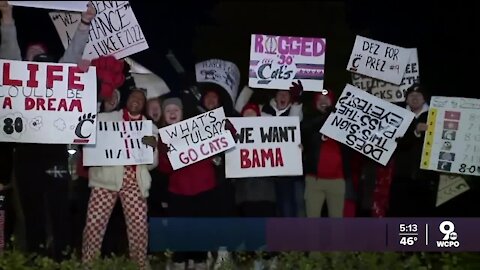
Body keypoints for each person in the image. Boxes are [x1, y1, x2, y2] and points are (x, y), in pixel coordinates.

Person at [0, 1, 96, 259]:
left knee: (59, 207)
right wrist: (7, 18)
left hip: (54, 152)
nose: (37, 60)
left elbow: (73, 55)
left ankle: (62, 257)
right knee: (31, 209)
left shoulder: (58, 76)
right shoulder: (18, 77)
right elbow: (9, 53)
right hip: (26, 152)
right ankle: (35, 256)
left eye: (42, 56)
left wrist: (85, 23)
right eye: (32, 56)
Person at [81, 89, 159, 270]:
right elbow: (87, 136)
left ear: (144, 104)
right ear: (127, 99)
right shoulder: (106, 119)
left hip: (134, 183)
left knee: (139, 229)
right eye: (133, 96)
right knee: (93, 226)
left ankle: (139, 265)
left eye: (141, 99)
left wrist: (152, 151)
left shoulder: (149, 127)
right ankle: (88, 265)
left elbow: (152, 165)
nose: (136, 101)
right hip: (105, 181)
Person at [158, 97, 220, 270]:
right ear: (164, 115)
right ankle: (180, 261)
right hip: (178, 191)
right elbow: (165, 169)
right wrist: (164, 154)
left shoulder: (198, 129)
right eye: (168, 110)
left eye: (175, 109)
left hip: (203, 188)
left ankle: (199, 260)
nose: (172, 113)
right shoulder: (163, 137)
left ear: (182, 113)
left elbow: (215, 149)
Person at [235, 82, 304, 217]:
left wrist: (297, 100)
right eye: (280, 93)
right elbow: (241, 110)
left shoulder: (294, 113)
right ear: (275, 96)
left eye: (287, 94)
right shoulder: (262, 110)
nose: (283, 96)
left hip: (284, 173)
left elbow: (293, 122)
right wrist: (251, 85)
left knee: (286, 209)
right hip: (264, 176)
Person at [389, 83, 438, 217]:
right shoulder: (398, 115)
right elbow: (396, 142)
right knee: (401, 213)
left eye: (419, 95)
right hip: (401, 175)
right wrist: (415, 132)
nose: (415, 98)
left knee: (424, 214)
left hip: (427, 177)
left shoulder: (436, 115)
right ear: (406, 99)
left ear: (425, 98)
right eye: (411, 95)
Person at [301, 90, 352, 217]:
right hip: (314, 181)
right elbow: (305, 130)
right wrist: (327, 116)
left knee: (336, 223)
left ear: (332, 101)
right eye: (319, 99)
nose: (323, 102)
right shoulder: (309, 120)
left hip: (337, 181)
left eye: (326, 99)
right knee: (312, 221)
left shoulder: (345, 122)